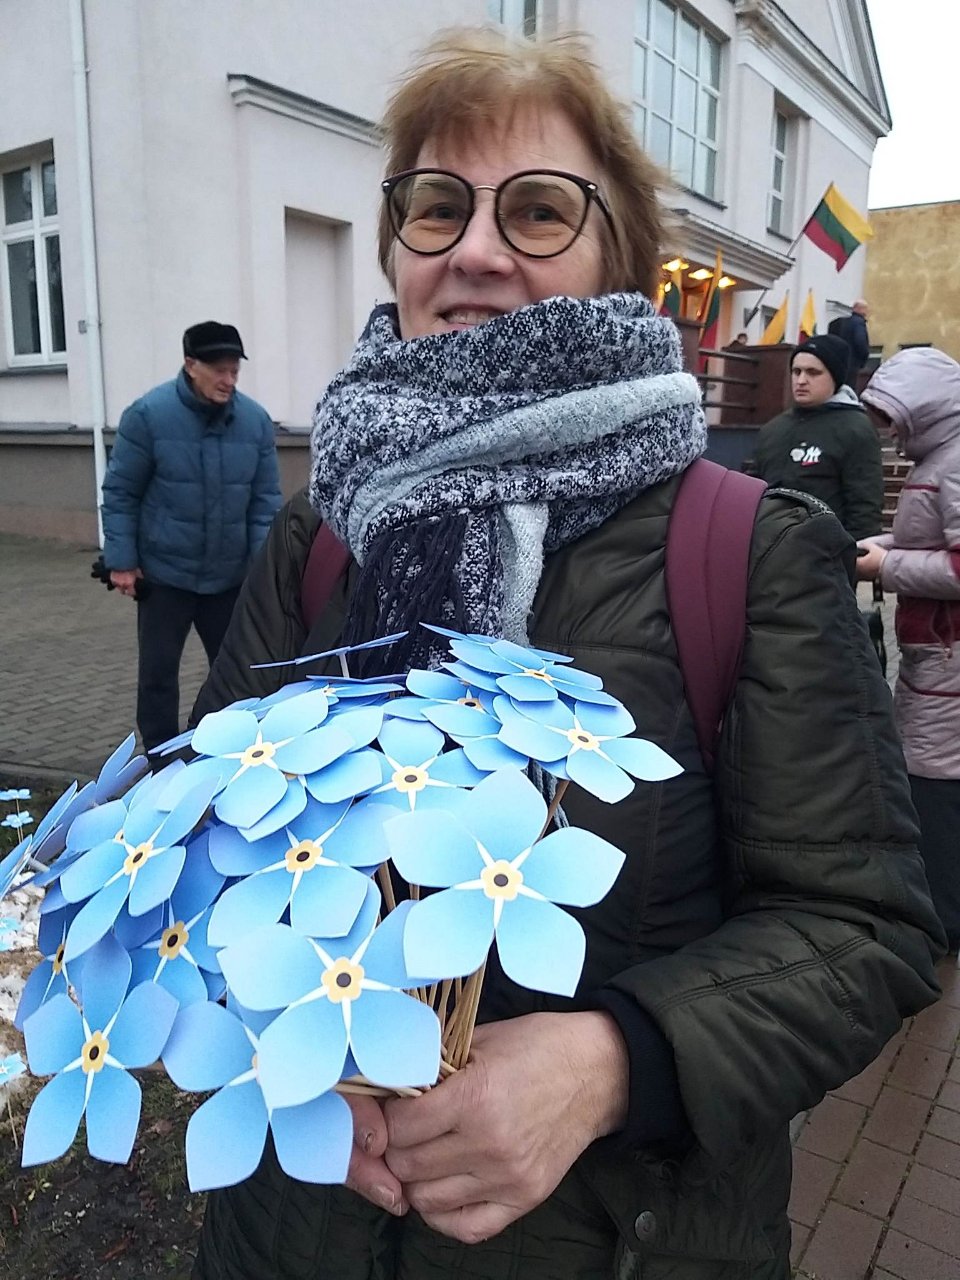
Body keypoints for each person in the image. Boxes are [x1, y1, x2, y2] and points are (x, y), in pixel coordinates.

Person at [191, 30, 943, 1280]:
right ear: (396, 244)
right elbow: (210, 829)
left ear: (617, 261)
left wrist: (612, 1062)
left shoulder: (744, 549)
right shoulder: (321, 531)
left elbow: (866, 926)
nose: (475, 250)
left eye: (539, 210)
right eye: (437, 206)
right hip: (293, 1227)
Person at [101, 321, 281, 760]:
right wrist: (121, 561)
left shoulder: (255, 422)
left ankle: (228, 752)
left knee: (238, 672)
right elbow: (121, 492)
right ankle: (161, 761)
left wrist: (263, 571)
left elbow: (264, 503)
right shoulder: (147, 416)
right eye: (219, 370)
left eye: (234, 370)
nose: (229, 380)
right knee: (158, 675)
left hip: (229, 578)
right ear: (190, 365)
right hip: (166, 576)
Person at [858, 346, 960, 952]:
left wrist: (886, 566)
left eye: (895, 422)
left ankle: (943, 922)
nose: (893, 437)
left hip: (949, 658)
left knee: (934, 780)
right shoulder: (942, 456)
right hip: (935, 652)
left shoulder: (954, 461)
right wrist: (876, 546)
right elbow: (930, 541)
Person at [748, 332, 884, 540]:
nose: (801, 380)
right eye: (796, 371)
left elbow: (865, 506)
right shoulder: (773, 429)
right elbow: (751, 491)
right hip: (766, 548)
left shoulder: (855, 428)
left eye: (813, 372)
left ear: (835, 377)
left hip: (824, 552)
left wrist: (855, 553)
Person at [828, 299, 870, 387]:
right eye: (866, 309)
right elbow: (860, 342)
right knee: (849, 388)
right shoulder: (859, 323)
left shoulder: (837, 323)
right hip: (852, 364)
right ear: (861, 309)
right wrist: (864, 359)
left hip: (836, 363)